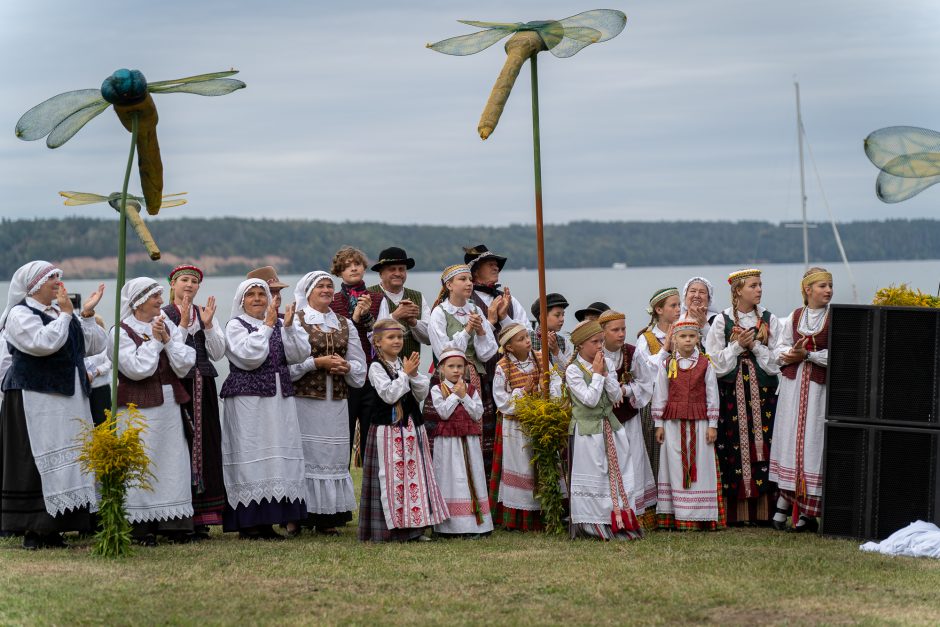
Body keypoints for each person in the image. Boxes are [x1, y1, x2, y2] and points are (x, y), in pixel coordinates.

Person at [0, 262, 106, 549]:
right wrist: (67, 316)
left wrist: (86, 315)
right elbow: (43, 343)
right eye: (52, 279)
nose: (59, 283)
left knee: (70, 457)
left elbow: (92, 346)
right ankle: (33, 530)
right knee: (35, 458)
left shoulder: (61, 314)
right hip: (36, 397)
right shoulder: (19, 314)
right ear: (34, 286)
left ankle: (56, 527)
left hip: (67, 399)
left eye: (59, 277)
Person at [219, 278, 310, 539]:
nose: (258, 298)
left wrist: (289, 328)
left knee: (277, 457)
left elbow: (298, 354)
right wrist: (269, 326)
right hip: (249, 400)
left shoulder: (281, 322)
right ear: (241, 301)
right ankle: (249, 524)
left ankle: (270, 520)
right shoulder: (235, 326)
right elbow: (250, 357)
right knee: (252, 454)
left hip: (279, 399)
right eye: (252, 295)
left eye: (262, 294)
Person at [113, 278, 196, 545]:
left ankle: (174, 525)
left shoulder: (164, 323)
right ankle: (140, 527)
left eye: (160, 296)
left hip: (169, 405)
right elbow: (137, 369)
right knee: (142, 461)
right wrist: (157, 343)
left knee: (171, 461)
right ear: (138, 301)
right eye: (155, 297)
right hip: (137, 409)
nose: (161, 301)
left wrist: (168, 340)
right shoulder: (120, 331)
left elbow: (185, 363)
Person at [358, 318, 447, 542]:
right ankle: (388, 530)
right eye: (391, 337)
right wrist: (406, 375)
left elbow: (419, 394)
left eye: (399, 337)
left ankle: (413, 529)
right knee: (390, 479)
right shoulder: (376, 367)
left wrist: (414, 375)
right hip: (387, 432)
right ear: (378, 342)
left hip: (410, 428)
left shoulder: (402, 363)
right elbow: (389, 395)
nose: (397, 341)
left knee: (412, 479)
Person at [705, 268, 782, 525]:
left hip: (762, 393)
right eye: (753, 285)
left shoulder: (770, 320)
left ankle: (764, 511)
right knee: (732, 446)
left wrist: (756, 346)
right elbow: (714, 364)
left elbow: (776, 364)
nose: (759, 289)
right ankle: (736, 512)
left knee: (765, 444)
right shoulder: (721, 321)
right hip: (731, 393)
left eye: (760, 285)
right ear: (738, 290)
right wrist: (738, 346)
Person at [290, 271, 365, 535]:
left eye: (329, 286)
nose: (326, 290)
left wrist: (346, 366)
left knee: (332, 457)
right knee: (303, 455)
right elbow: (287, 366)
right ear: (307, 292)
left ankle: (328, 517)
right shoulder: (296, 321)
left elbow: (360, 367)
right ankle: (296, 516)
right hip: (304, 401)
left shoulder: (344, 323)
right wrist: (315, 363)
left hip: (336, 403)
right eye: (320, 286)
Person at [162, 264, 227, 537]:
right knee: (181, 445)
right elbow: (170, 348)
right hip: (178, 384)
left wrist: (209, 325)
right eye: (184, 280)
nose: (189, 285)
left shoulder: (204, 313)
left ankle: (202, 517)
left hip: (204, 383)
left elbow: (218, 351)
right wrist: (184, 323)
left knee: (206, 444)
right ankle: (179, 515)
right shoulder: (164, 315)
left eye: (193, 281)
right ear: (173, 285)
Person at [565, 320, 643, 541]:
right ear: (580, 345)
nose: (600, 346)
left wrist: (606, 374)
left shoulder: (605, 362)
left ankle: (618, 521)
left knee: (618, 473)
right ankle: (593, 525)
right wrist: (598, 374)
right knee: (595, 475)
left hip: (611, 427)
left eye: (601, 341)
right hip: (588, 433)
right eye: (595, 342)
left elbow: (617, 397)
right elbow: (589, 400)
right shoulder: (573, 370)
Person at [769, 267, 833, 533]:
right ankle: (782, 510)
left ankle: (807, 514)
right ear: (808, 290)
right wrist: (791, 353)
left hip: (819, 391)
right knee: (790, 441)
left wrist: (807, 356)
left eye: (830, 285)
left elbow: (838, 354)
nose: (828, 290)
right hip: (794, 390)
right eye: (822, 286)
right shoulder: (794, 317)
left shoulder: (834, 318)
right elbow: (778, 349)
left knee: (812, 444)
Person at [651, 319, 725, 531]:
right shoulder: (667, 364)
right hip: (673, 425)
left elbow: (712, 395)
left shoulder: (705, 364)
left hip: (700, 424)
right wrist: (659, 423)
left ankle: (700, 515)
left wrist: (713, 424)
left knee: (701, 466)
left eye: (692, 336)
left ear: (698, 338)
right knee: (673, 466)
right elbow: (660, 394)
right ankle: (676, 515)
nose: (687, 340)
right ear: (674, 339)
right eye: (683, 336)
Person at [425, 264, 499, 471]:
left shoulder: (474, 309)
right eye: (463, 280)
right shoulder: (439, 313)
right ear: (449, 285)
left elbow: (487, 352)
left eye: (469, 279)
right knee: (448, 428)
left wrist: (482, 331)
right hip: (448, 379)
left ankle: (476, 481)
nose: (469, 283)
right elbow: (443, 352)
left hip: (475, 376)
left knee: (478, 429)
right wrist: (467, 330)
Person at [490, 323, 562, 532]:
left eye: (527, 337)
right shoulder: (503, 367)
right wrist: (523, 392)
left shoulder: (541, 357)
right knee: (522, 466)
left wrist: (545, 389)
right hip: (516, 427)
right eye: (521, 339)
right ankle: (520, 517)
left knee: (545, 464)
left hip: (542, 421)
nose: (528, 341)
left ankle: (550, 511)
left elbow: (556, 381)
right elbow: (501, 401)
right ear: (510, 347)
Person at [364, 246, 431, 460]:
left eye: (401, 269)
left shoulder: (417, 297)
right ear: (381, 273)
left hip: (409, 370)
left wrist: (412, 321)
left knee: (410, 419)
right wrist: (395, 315)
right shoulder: (370, 295)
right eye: (392, 269)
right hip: (379, 371)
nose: (398, 273)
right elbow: (368, 335)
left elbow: (429, 337)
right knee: (383, 421)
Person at [597, 310, 657, 529]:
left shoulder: (632, 353)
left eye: (623, 328)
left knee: (634, 460)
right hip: (604, 418)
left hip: (628, 418)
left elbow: (645, 383)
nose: (621, 334)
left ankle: (636, 512)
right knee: (608, 463)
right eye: (615, 330)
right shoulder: (595, 353)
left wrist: (626, 391)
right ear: (602, 332)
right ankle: (610, 512)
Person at [430, 344, 493, 538]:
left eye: (460, 366)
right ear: (442, 369)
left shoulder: (471, 390)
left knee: (470, 476)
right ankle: (449, 526)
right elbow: (443, 412)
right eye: (451, 366)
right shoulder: (437, 390)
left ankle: (474, 524)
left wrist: (464, 396)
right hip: (448, 442)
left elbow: (477, 413)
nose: (456, 370)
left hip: (469, 440)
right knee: (450, 477)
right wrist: (456, 396)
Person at [328, 247, 374, 461]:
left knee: (371, 436)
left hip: (372, 374)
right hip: (343, 373)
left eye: (357, 263)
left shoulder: (377, 298)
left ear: (364, 267)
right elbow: (336, 339)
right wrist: (355, 317)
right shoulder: (333, 301)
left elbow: (382, 337)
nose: (353, 268)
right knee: (342, 434)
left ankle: (370, 490)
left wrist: (368, 319)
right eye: (346, 265)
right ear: (338, 272)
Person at [635, 287, 682, 483]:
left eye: (680, 305)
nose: (679, 309)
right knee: (656, 452)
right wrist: (665, 348)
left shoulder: (686, 333)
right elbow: (644, 374)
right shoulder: (645, 339)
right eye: (673, 305)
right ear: (659, 310)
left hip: (681, 403)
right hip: (655, 404)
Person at [529, 292, 571, 370]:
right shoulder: (528, 338)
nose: (562, 319)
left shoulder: (563, 341)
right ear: (542, 317)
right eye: (557, 315)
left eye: (563, 315)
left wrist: (556, 351)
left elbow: (569, 372)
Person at [84, 315, 112, 426]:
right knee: (88, 420)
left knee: (103, 420)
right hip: (86, 389)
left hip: (101, 387)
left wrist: (95, 372)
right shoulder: (83, 345)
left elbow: (109, 363)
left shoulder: (106, 344)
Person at [679, 277, 720, 341]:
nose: (697, 295)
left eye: (702, 292)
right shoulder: (678, 320)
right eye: (692, 291)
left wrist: (705, 326)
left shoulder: (718, 320)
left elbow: (719, 346)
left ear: (709, 299)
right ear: (685, 296)